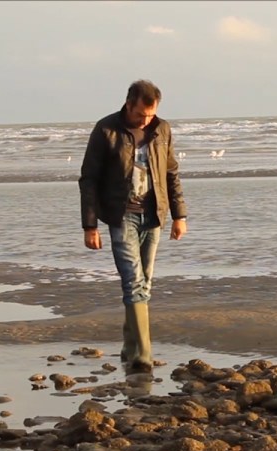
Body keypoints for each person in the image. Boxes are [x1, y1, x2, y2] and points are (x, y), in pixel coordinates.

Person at [79, 79, 187, 372]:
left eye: (151, 114)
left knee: (145, 282)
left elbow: (171, 174)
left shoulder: (162, 130)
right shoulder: (106, 130)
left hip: (153, 215)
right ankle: (143, 355)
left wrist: (179, 216)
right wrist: (90, 226)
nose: (146, 119)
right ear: (129, 104)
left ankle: (129, 347)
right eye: (141, 114)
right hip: (121, 214)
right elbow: (88, 179)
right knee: (134, 282)